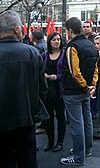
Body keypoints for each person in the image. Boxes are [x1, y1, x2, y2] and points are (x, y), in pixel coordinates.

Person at [0, 10, 48, 168]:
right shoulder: (33, 53)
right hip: (26, 118)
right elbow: (42, 89)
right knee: (27, 160)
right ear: (16, 30)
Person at [60, 17, 98, 166]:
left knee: (77, 125)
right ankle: (86, 149)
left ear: (69, 30)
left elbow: (74, 71)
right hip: (86, 90)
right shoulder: (90, 44)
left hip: (74, 90)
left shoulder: (72, 47)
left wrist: (85, 86)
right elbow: (95, 67)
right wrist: (92, 85)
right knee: (87, 121)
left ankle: (78, 156)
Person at [41, 32, 66, 152]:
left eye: (58, 39)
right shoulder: (44, 55)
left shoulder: (64, 54)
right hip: (47, 90)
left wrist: (56, 77)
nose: (57, 41)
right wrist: (44, 75)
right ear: (49, 41)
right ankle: (50, 141)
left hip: (59, 90)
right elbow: (39, 70)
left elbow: (67, 73)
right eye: (54, 39)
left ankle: (60, 141)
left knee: (61, 117)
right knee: (48, 118)